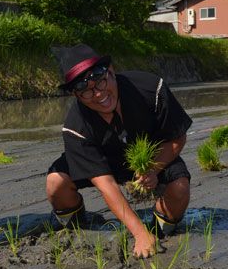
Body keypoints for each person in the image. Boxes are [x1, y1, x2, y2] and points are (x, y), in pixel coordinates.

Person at [46, 43, 192, 258]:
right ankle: (77, 227)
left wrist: (153, 168)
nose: (98, 94)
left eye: (100, 82)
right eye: (86, 91)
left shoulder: (151, 89)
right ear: (76, 96)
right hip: (104, 164)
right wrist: (137, 232)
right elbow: (106, 184)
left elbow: (177, 137)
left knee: (179, 188)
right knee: (55, 183)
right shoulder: (76, 126)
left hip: (149, 156)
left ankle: (159, 231)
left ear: (111, 72)